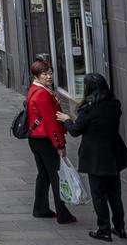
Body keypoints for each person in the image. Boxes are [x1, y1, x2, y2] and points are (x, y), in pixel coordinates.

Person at [56, 73, 127, 240]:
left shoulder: (89, 109)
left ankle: (104, 229)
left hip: (96, 157)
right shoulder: (114, 105)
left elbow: (75, 131)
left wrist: (67, 119)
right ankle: (120, 227)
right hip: (113, 155)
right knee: (115, 194)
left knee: (99, 195)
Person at [26, 60, 76, 224]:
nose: (49, 77)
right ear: (36, 76)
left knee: (44, 175)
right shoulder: (42, 94)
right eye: (44, 74)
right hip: (45, 140)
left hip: (36, 138)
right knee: (56, 177)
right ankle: (63, 214)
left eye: (50, 73)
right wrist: (60, 145)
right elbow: (51, 123)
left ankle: (40, 208)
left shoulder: (35, 89)